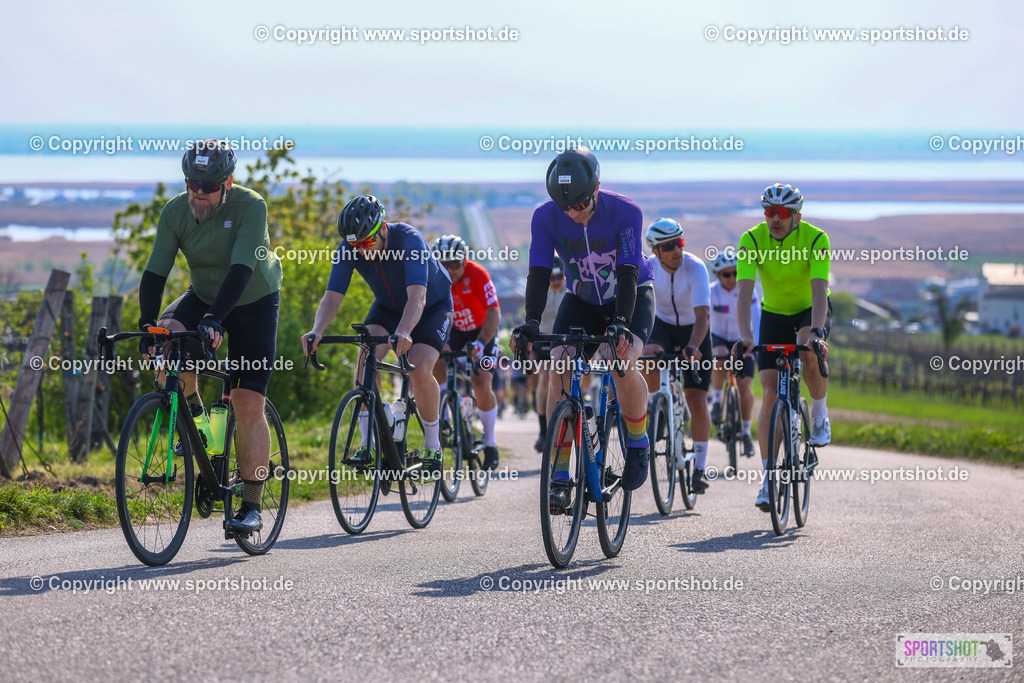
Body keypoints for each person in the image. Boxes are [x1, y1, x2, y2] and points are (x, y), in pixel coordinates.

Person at [139, 139, 283, 536]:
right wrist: (147, 324)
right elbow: (155, 273)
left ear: (228, 183)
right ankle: (199, 426)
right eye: (192, 185)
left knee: (247, 400)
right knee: (165, 340)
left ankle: (251, 504)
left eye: (208, 187)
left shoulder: (251, 207)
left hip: (253, 299)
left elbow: (240, 270)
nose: (198, 194)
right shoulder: (174, 212)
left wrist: (214, 321)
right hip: (203, 295)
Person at [512, 146, 655, 504]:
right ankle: (560, 470)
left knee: (622, 363)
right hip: (582, 299)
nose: (572, 212)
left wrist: (621, 322)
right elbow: (540, 271)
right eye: (565, 207)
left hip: (631, 293)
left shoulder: (626, 211)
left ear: (597, 188)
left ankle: (637, 440)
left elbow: (627, 270)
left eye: (579, 204)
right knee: (559, 366)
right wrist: (531, 321)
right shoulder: (545, 217)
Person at [303, 195, 453, 477]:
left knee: (419, 368)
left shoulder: (410, 240)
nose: (362, 251)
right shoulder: (349, 248)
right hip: (388, 307)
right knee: (364, 362)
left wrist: (405, 330)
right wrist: (317, 330)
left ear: (383, 228)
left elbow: (417, 297)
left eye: (367, 243)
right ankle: (368, 443)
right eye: (355, 246)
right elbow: (332, 296)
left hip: (431, 307)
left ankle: (433, 446)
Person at [735, 183, 832, 512]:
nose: (775, 218)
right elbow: (745, 295)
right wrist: (746, 336)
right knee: (771, 393)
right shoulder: (751, 239)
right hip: (774, 314)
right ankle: (767, 480)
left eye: (783, 213)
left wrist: (817, 332)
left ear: (797, 217)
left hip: (809, 310)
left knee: (807, 349)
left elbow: (820, 292)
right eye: (769, 212)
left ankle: (819, 415)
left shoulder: (816, 239)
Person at [640, 218, 713, 493]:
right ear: (656, 251)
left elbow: (703, 315)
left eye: (680, 243)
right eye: (669, 246)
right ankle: (657, 403)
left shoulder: (695, 268)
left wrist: (694, 346)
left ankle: (701, 468)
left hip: (695, 330)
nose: (677, 250)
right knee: (649, 355)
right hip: (663, 325)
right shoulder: (647, 268)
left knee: (697, 398)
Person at [431, 234, 502, 470]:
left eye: (454, 264)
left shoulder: (478, 274)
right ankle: (445, 417)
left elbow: (494, 313)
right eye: (443, 263)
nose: (449, 269)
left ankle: (490, 442)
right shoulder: (434, 277)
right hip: (454, 330)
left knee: (481, 381)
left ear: (464, 260)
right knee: (434, 358)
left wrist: (481, 344)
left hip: (482, 330)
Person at [708, 251, 761, 458]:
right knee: (720, 355)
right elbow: (703, 319)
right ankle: (717, 402)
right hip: (719, 337)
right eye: (726, 274)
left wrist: (755, 345)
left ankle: (747, 433)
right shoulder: (711, 292)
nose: (731, 278)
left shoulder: (748, 291)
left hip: (743, 339)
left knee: (745, 387)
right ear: (718, 276)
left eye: (735, 273)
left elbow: (756, 319)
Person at [531, 257, 568, 452]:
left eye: (559, 277)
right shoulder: (541, 290)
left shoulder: (570, 289)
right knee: (545, 378)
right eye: (551, 278)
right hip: (545, 338)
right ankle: (543, 431)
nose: (555, 281)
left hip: (567, 337)